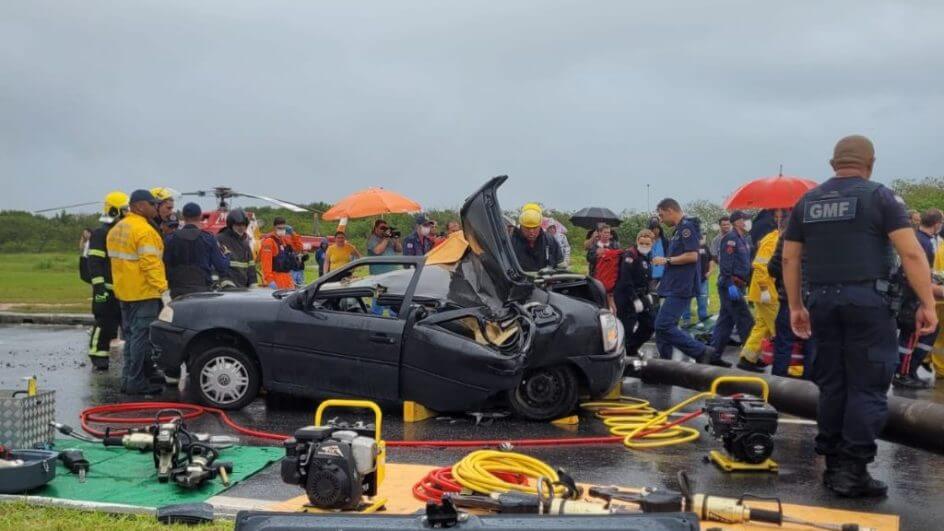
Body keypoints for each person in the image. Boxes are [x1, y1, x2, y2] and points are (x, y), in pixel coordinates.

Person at [783, 134, 937, 498]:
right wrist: (928, 303)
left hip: (821, 301)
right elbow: (912, 255)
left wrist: (795, 306)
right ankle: (853, 471)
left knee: (833, 384)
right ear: (870, 163)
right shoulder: (880, 197)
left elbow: (790, 258)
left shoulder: (807, 201)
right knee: (866, 385)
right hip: (868, 303)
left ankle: (834, 465)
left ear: (833, 163)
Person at [106, 189, 168, 396]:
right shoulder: (144, 231)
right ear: (140, 206)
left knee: (131, 337)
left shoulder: (116, 229)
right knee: (141, 338)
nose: (155, 207)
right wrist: (163, 290)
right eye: (152, 204)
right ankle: (135, 382)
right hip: (144, 293)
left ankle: (127, 379)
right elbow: (151, 265)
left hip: (124, 293)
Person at [652, 198, 727, 365]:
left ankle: (702, 352)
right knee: (662, 326)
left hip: (681, 287)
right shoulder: (679, 229)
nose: (661, 220)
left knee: (663, 325)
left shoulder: (687, 227)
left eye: (662, 215)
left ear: (670, 210)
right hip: (674, 285)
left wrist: (666, 260)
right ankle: (665, 363)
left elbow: (692, 256)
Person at [892, 208, 944, 389]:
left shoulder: (917, 239)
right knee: (911, 336)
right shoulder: (925, 244)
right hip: (913, 298)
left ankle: (908, 371)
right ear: (937, 224)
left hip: (909, 296)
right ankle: (902, 373)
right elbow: (919, 275)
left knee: (920, 334)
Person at [85, 191, 128, 370]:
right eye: (124, 210)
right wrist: (100, 287)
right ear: (113, 211)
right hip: (105, 288)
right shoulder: (100, 234)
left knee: (116, 324)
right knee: (104, 323)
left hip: (120, 288)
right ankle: (97, 353)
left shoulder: (119, 232)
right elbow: (94, 262)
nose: (127, 213)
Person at [737, 210, 785, 372]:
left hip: (762, 290)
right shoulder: (774, 240)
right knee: (780, 327)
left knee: (762, 325)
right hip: (766, 291)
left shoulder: (773, 238)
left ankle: (747, 358)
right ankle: (793, 368)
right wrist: (765, 289)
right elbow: (760, 266)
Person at [767, 215, 813, 378]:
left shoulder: (788, 235)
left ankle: (778, 390)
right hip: (814, 299)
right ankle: (809, 391)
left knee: (783, 345)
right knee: (812, 347)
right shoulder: (824, 236)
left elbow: (772, 267)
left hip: (789, 299)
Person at [711, 210, 754, 362]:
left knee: (725, 322)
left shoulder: (744, 239)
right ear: (736, 222)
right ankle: (749, 359)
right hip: (730, 285)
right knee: (746, 320)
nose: (746, 222)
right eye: (744, 219)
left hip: (739, 284)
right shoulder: (730, 239)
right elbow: (725, 264)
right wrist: (729, 284)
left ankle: (713, 356)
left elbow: (746, 265)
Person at [163, 202, 230, 299]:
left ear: (183, 216)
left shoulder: (170, 239)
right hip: (202, 290)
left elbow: (164, 264)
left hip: (177, 291)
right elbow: (221, 267)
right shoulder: (208, 238)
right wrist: (227, 255)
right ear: (200, 216)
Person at [615, 229, 656, 357]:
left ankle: (631, 348)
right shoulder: (630, 255)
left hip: (641, 296)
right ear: (637, 241)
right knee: (627, 329)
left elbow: (646, 278)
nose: (644, 246)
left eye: (647, 244)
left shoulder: (646, 256)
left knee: (650, 325)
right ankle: (623, 355)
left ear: (652, 243)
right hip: (627, 297)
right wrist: (634, 299)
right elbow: (626, 279)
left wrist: (648, 294)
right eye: (642, 243)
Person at [511, 205, 563, 272]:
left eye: (535, 228)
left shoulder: (550, 240)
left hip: (546, 281)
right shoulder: (511, 241)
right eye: (527, 228)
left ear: (540, 225)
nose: (531, 232)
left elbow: (559, 263)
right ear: (521, 225)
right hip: (519, 281)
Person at [216, 209, 256, 289]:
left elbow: (251, 268)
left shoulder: (245, 243)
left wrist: (253, 285)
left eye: (244, 225)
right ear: (231, 225)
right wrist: (225, 282)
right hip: (227, 288)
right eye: (238, 225)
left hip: (243, 289)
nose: (241, 227)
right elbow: (216, 265)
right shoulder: (220, 240)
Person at [260, 217, 303, 289]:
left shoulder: (285, 240)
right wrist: (270, 281)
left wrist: (293, 233)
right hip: (276, 279)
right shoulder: (269, 241)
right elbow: (266, 263)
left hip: (287, 279)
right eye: (279, 228)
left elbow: (299, 248)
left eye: (283, 228)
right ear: (274, 228)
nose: (281, 230)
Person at [681, 234, 711, 326]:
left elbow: (711, 259)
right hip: (688, 280)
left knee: (702, 302)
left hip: (702, 280)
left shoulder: (704, 247)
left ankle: (704, 321)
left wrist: (709, 272)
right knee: (686, 302)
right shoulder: (684, 246)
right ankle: (686, 322)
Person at [648, 217, 669, 291]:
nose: (655, 230)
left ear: (660, 229)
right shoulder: (646, 242)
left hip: (664, 273)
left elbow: (669, 256)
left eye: (656, 228)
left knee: (664, 295)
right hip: (652, 274)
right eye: (652, 229)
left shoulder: (665, 241)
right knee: (653, 295)